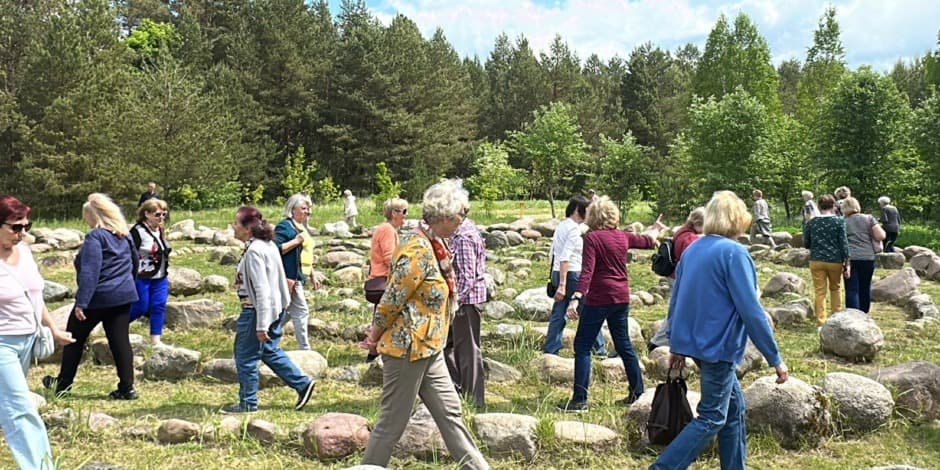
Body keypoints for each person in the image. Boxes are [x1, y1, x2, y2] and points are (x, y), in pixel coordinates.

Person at [650, 190, 789, 470]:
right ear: (738, 220)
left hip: (697, 345)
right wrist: (775, 357)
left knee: (734, 411)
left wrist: (677, 343)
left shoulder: (693, 249)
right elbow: (751, 310)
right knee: (712, 416)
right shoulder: (735, 253)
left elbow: (678, 300)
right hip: (718, 347)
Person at [359, 180, 489, 470]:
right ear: (443, 217)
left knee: (450, 414)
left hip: (430, 348)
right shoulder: (416, 251)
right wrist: (373, 335)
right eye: (460, 215)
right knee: (392, 423)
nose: (462, 220)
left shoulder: (438, 245)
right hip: (407, 349)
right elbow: (391, 300)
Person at [558, 197, 666, 412]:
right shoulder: (622, 237)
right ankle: (637, 392)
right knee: (624, 345)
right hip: (621, 297)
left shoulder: (593, 238)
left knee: (582, 346)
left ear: (593, 216)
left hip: (599, 299)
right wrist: (655, 229)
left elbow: (587, 271)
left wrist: (577, 296)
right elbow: (646, 241)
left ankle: (580, 400)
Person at [0, 195, 74, 469]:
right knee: (20, 409)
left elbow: (35, 296)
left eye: (26, 227)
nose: (22, 234)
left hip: (27, 341)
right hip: (2, 345)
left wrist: (53, 329)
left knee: (7, 403)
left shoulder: (26, 254)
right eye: (15, 227)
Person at [44, 193, 140, 400]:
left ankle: (63, 384)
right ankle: (127, 388)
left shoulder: (95, 236)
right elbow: (135, 263)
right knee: (120, 342)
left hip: (98, 297)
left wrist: (81, 303)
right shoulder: (125, 235)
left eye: (85, 216)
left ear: (93, 215)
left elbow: (90, 271)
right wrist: (127, 285)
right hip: (123, 296)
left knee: (73, 338)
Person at [224, 206, 316, 414]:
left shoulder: (256, 250)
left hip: (256, 309)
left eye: (236, 224)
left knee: (245, 356)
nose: (233, 227)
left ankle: (248, 402)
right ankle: (302, 383)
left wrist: (261, 324)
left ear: (248, 228)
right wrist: (281, 307)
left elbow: (262, 288)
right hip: (273, 308)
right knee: (269, 350)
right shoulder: (268, 245)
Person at [543, 196, 606, 356]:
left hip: (558, 272)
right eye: (587, 210)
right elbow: (565, 256)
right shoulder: (574, 229)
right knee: (589, 311)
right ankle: (598, 350)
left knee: (559, 313)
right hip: (572, 274)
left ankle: (551, 349)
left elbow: (553, 253)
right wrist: (563, 284)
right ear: (578, 210)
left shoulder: (562, 226)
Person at [444, 204, 487, 409]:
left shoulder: (462, 236)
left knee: (468, 350)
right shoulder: (467, 229)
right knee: (448, 346)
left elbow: (467, 276)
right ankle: (456, 390)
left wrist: (455, 301)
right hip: (465, 301)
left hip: (466, 302)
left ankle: (473, 399)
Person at [275, 194, 322, 351]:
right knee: (301, 311)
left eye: (308, 209)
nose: (307, 212)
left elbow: (305, 253)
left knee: (289, 311)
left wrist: (312, 274)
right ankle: (305, 348)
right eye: (303, 208)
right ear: (292, 209)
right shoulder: (285, 226)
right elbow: (276, 249)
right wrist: (295, 241)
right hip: (289, 276)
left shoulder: (302, 227)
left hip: (300, 276)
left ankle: (268, 331)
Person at [365, 198, 409, 362]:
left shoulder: (387, 229)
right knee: (385, 316)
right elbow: (389, 258)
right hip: (383, 279)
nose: (406, 216)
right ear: (394, 213)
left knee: (381, 316)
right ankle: (375, 351)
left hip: (382, 278)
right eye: (404, 211)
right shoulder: (388, 230)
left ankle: (374, 351)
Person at [128, 198, 171, 345]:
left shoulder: (160, 229)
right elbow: (128, 253)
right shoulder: (137, 231)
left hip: (160, 275)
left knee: (159, 305)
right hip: (142, 276)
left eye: (164, 214)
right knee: (141, 306)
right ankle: (117, 325)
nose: (161, 218)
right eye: (158, 214)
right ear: (146, 214)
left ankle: (156, 340)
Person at [804, 194, 850, 328]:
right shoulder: (839, 221)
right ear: (834, 206)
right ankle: (836, 318)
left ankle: (821, 322)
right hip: (835, 260)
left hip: (816, 259)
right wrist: (846, 261)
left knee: (820, 291)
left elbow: (806, 242)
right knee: (835, 288)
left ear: (819, 206)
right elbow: (844, 243)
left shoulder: (812, 222)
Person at [843, 197, 886, 313]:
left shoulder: (842, 222)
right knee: (865, 287)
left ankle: (853, 315)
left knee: (852, 289)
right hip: (867, 257)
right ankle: (864, 314)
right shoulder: (869, 219)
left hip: (850, 259)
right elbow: (881, 236)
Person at [671, 207, 706, 277]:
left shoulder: (682, 230)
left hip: (675, 271)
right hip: (680, 276)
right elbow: (693, 261)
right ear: (697, 224)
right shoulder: (690, 239)